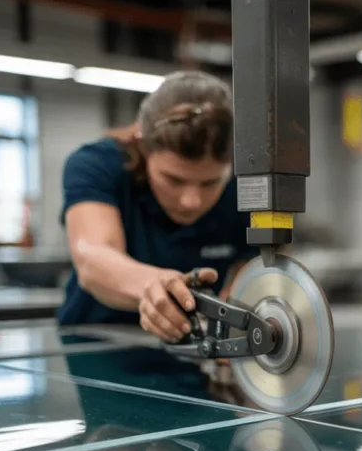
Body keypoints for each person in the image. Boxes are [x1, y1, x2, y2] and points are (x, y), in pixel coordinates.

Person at [57, 70, 257, 342]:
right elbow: (93, 257)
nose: (191, 201)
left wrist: (240, 307)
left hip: (196, 346)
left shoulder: (246, 185)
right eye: (173, 180)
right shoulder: (96, 165)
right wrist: (153, 287)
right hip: (98, 340)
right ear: (144, 147)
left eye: (210, 183)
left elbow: (251, 260)